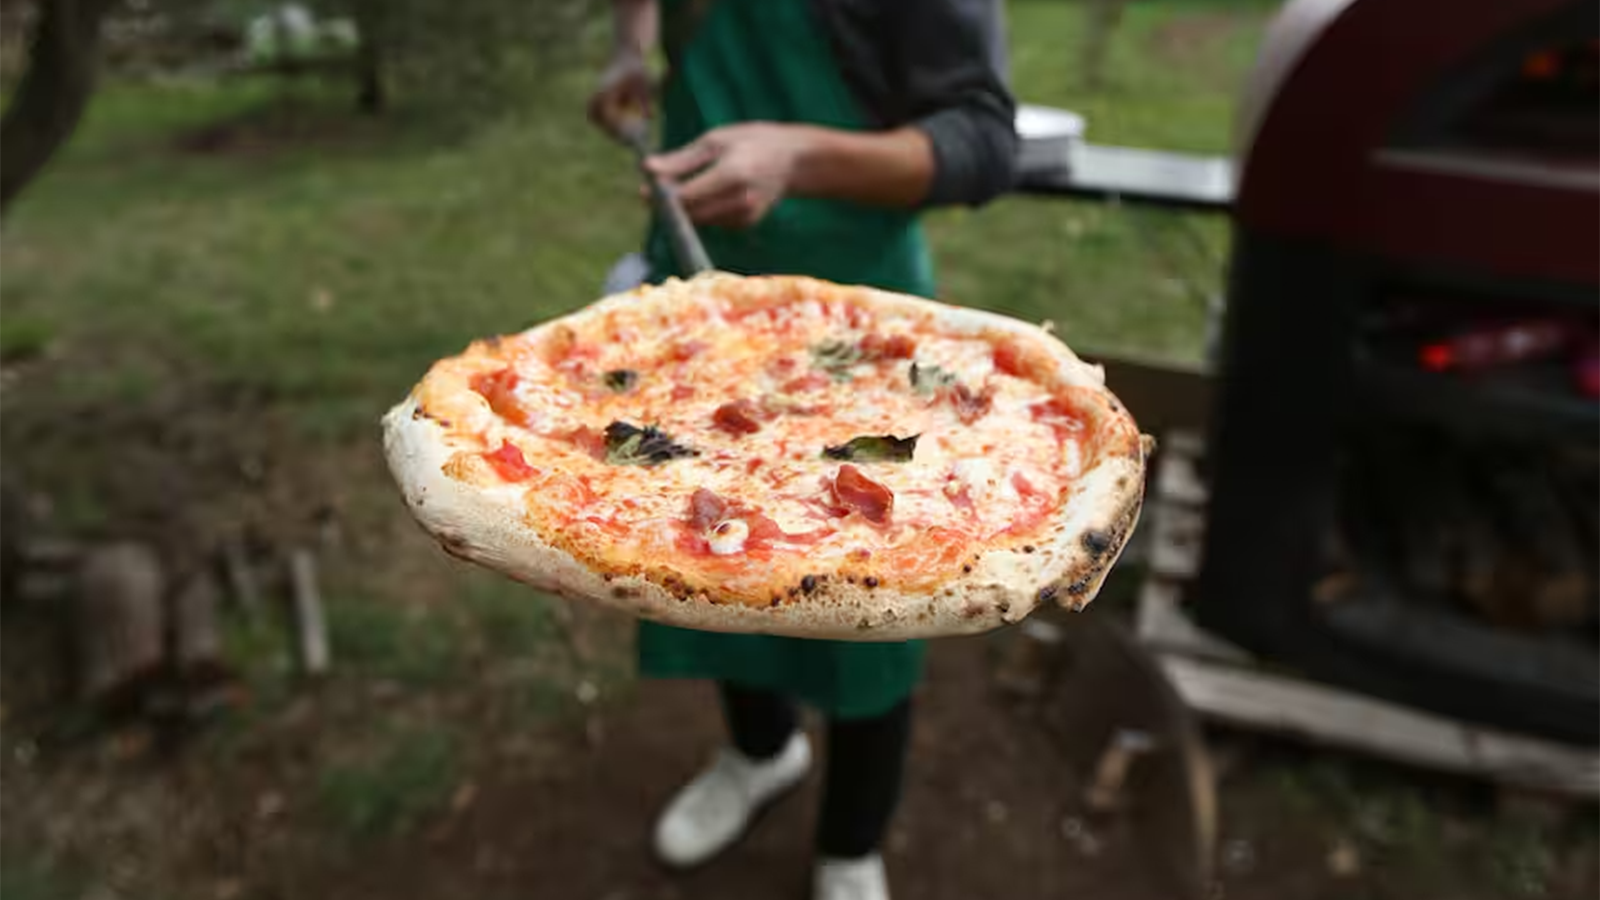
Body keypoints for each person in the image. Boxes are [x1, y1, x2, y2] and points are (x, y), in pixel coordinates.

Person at [586, 2, 1018, 898]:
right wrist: (631, 50)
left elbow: (984, 138)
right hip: (696, 307)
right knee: (710, 559)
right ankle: (760, 751)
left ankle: (852, 844)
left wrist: (800, 156)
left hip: (854, 323)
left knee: (870, 597)